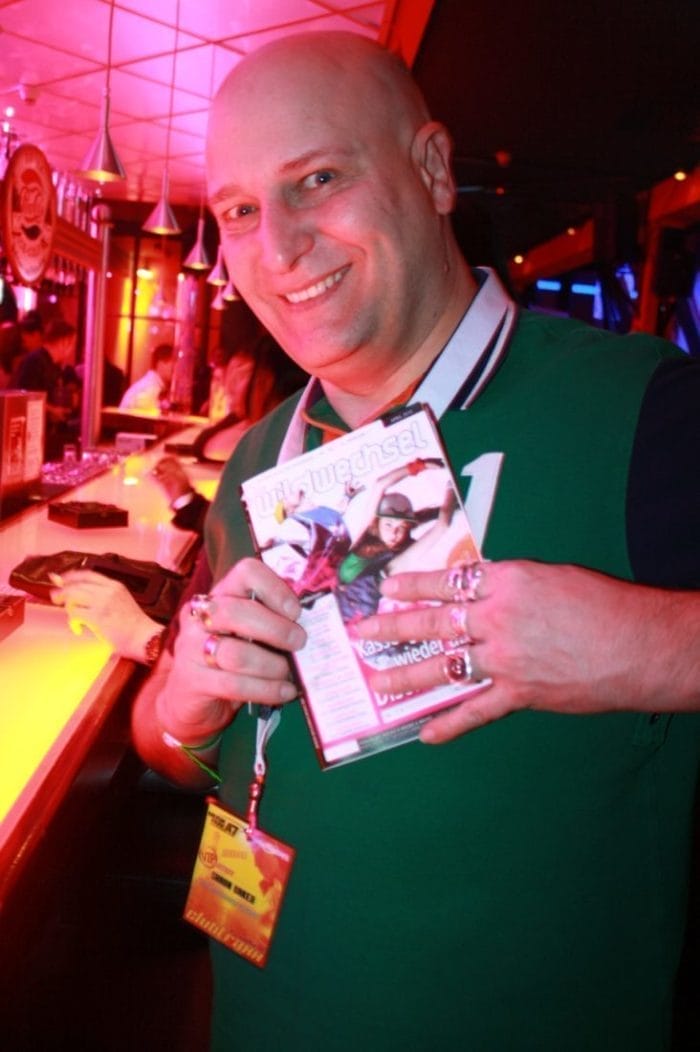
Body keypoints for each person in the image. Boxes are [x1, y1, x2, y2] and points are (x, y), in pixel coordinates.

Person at [131, 31, 700, 1052]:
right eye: (240, 210)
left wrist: (646, 645)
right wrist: (187, 704)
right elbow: (168, 744)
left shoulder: (646, 413)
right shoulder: (258, 455)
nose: (278, 247)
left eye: (317, 179)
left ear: (433, 170)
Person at [13, 316, 81, 460]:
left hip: (44, 434)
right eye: (72, 344)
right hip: (29, 437)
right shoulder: (35, 361)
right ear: (64, 342)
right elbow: (24, 399)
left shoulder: (54, 366)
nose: (71, 350)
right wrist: (52, 411)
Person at [119, 342, 174, 411]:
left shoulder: (152, 387)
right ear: (160, 363)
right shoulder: (149, 390)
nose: (177, 370)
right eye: (173, 364)